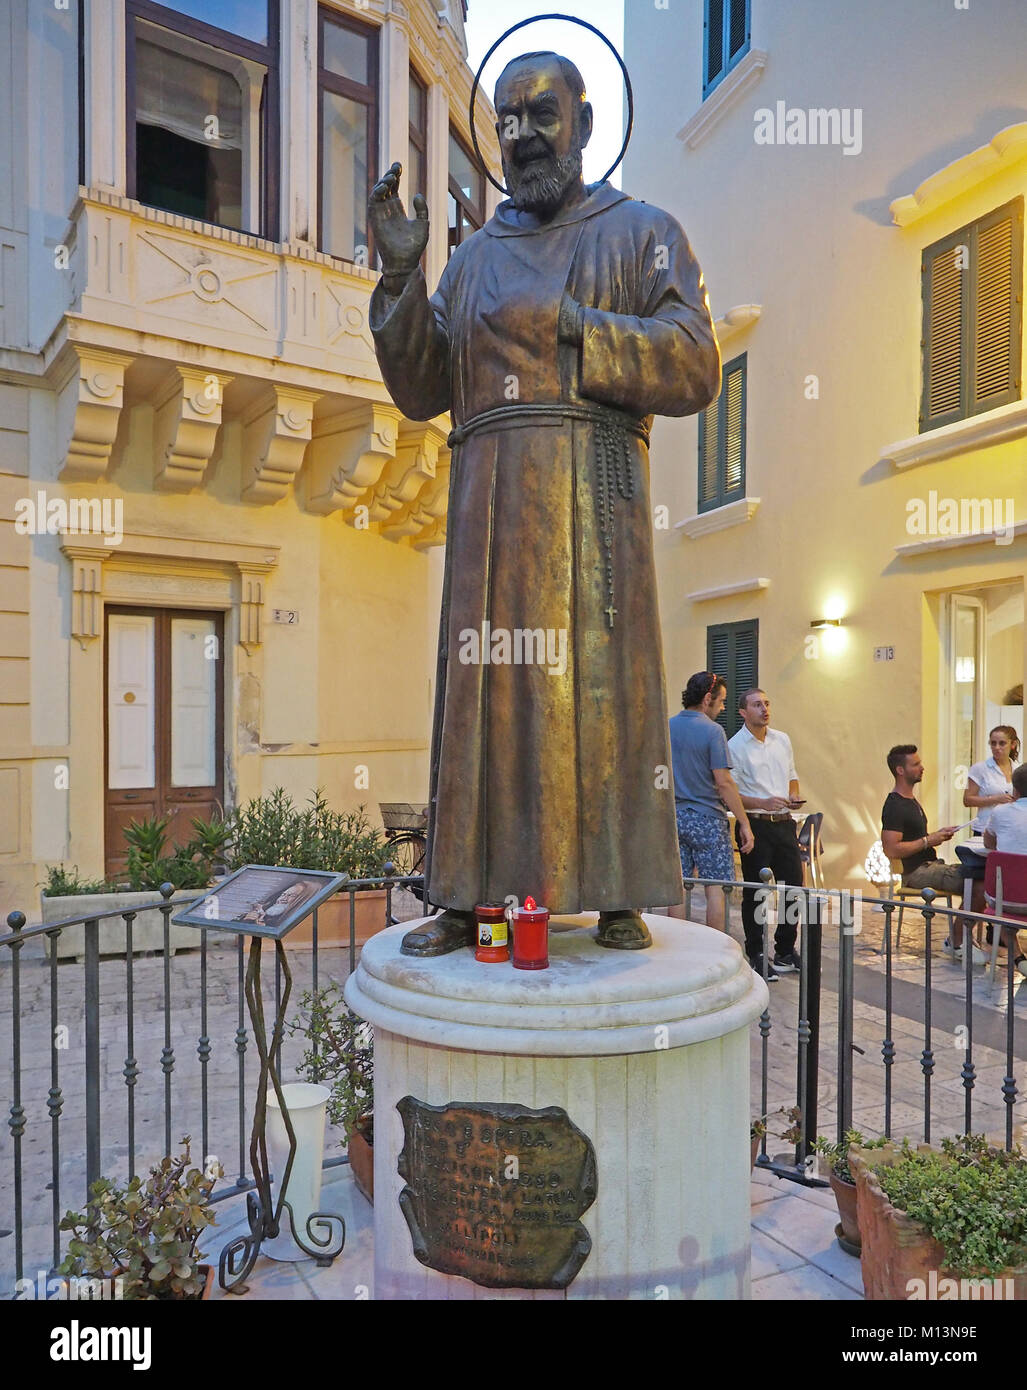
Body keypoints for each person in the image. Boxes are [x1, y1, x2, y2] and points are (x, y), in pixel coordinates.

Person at [368, 49, 720, 956]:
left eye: (540, 114)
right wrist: (403, 278)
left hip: (594, 503)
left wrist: (577, 329)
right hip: (488, 503)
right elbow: (420, 386)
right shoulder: (477, 255)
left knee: (603, 691)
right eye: (507, 120)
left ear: (585, 122)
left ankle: (618, 890)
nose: (522, 136)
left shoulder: (643, 231)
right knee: (480, 694)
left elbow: (693, 361)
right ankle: (462, 894)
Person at [881, 745, 986, 964]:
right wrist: (929, 840)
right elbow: (891, 849)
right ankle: (956, 940)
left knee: (981, 878)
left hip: (930, 864)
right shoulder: (895, 805)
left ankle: (959, 937)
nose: (922, 768)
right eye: (916, 764)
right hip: (916, 872)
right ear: (900, 770)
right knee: (979, 885)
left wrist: (937, 835)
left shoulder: (910, 801)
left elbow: (916, 839)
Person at [668, 672, 754, 939]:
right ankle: (715, 948)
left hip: (674, 817)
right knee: (715, 887)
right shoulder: (713, 731)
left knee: (678, 886)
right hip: (707, 819)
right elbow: (724, 782)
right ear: (708, 699)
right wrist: (744, 822)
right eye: (722, 701)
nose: (724, 707)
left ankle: (677, 945)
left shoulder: (667, 726)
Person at [728, 688, 805, 979]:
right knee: (756, 891)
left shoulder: (782, 740)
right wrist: (763, 802)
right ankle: (757, 952)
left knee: (792, 887)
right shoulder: (735, 746)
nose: (764, 709)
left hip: (785, 823)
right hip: (756, 824)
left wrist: (793, 796)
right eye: (757, 705)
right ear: (743, 713)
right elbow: (731, 794)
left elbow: (792, 777)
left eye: (767, 703)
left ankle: (785, 949)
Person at [982, 763, 1027, 976]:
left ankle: (1018, 957)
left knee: (1002, 913)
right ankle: (1019, 958)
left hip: (1004, 900)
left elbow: (989, 844)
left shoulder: (1000, 813)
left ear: (1015, 791)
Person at [963, 725, 1019, 833]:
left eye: (1002, 743)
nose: (997, 747)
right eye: (993, 743)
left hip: (1011, 827)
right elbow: (967, 800)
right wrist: (995, 799)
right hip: (985, 828)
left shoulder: (1018, 769)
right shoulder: (979, 768)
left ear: (1012, 744)